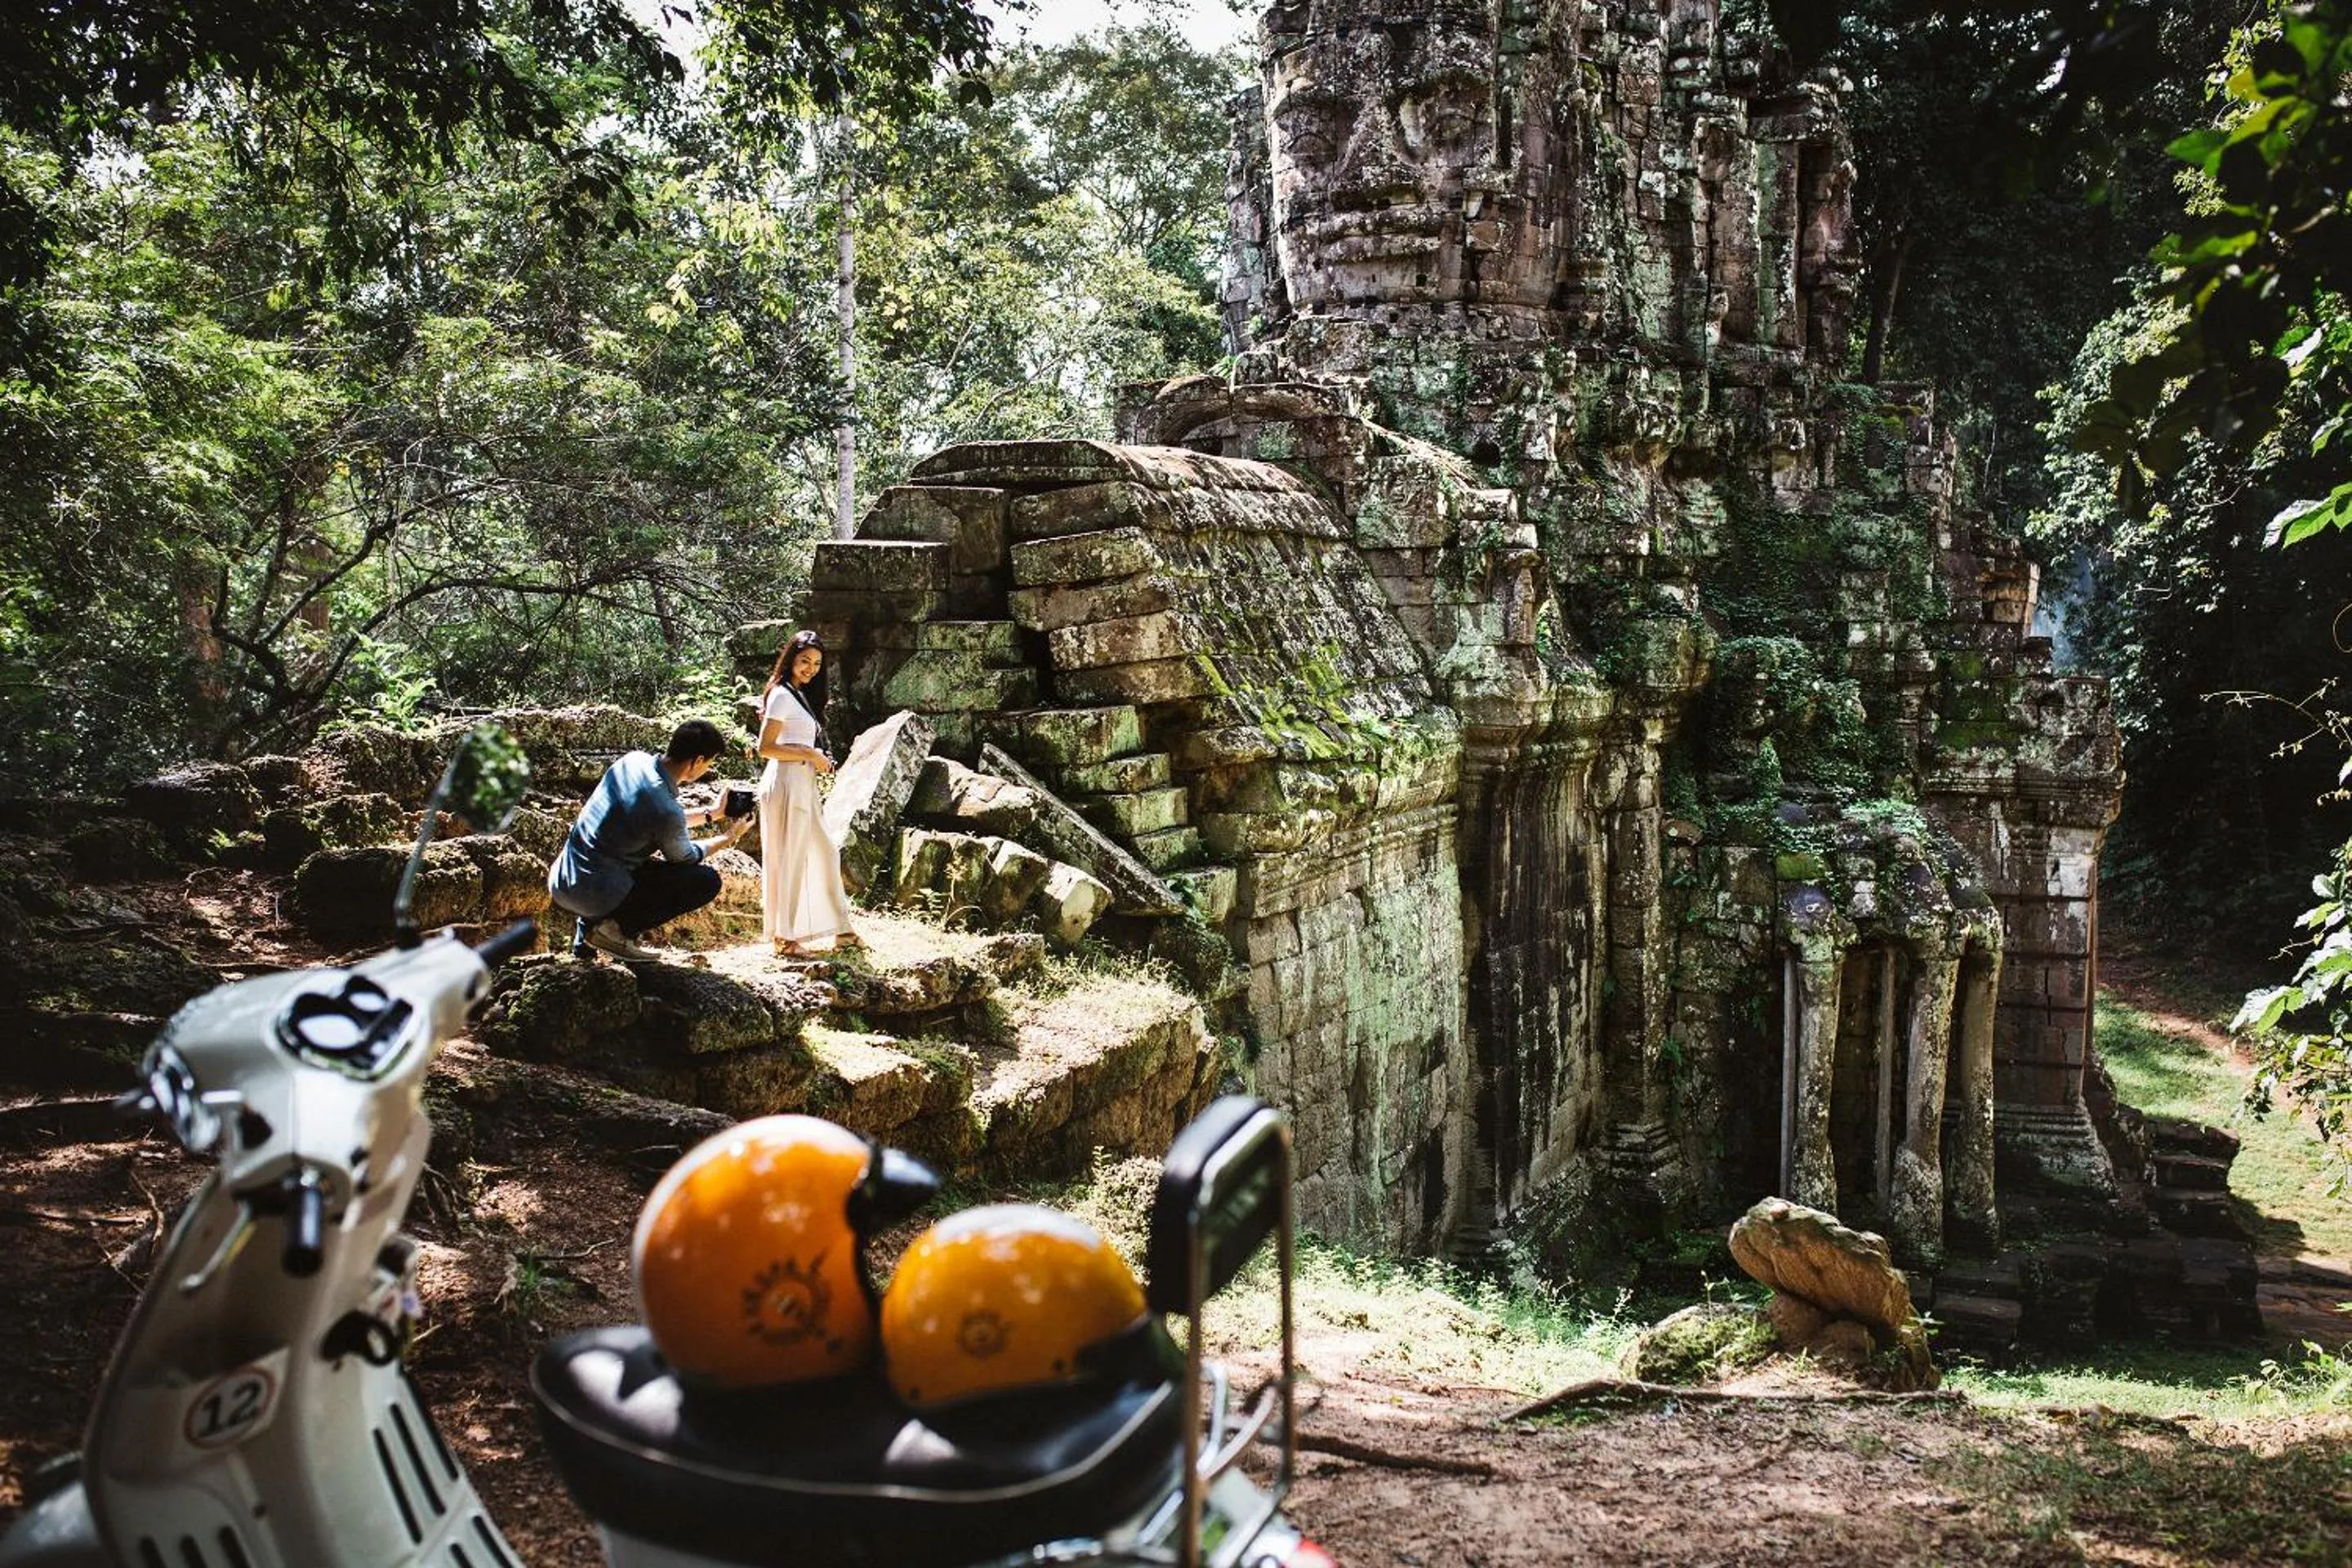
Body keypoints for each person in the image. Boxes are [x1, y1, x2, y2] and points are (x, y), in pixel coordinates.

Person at [548, 718, 751, 962]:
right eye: (709, 763)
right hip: (595, 894)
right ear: (697, 761)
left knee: (611, 857)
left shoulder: (632, 761)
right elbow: (684, 856)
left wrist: (713, 813)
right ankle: (614, 931)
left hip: (563, 881)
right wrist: (728, 837)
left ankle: (584, 944)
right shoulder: (665, 809)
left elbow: (658, 820)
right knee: (704, 880)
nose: (707, 768)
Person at [755, 630, 861, 959]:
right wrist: (809, 754)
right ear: (790, 659)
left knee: (826, 852)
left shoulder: (800, 695)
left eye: (816, 663)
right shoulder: (781, 695)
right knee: (789, 857)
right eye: (804, 661)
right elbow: (765, 748)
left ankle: (841, 930)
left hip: (803, 784)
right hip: (786, 783)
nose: (811, 668)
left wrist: (816, 758)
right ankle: (785, 938)